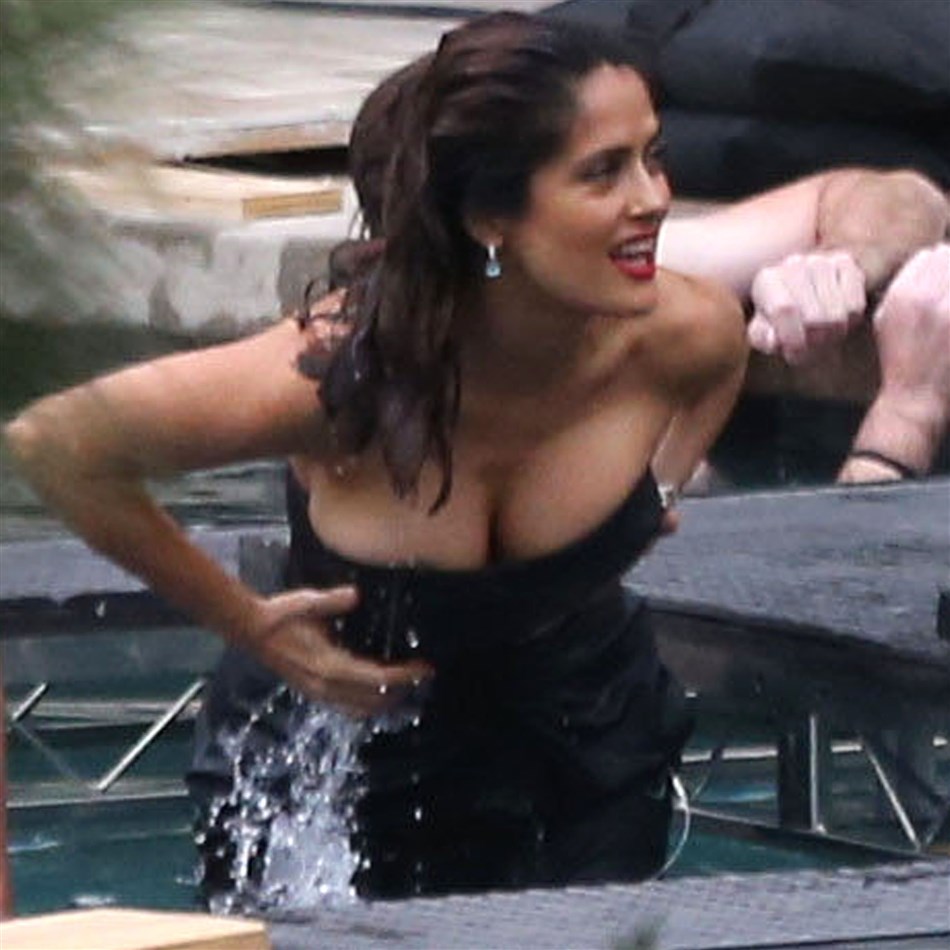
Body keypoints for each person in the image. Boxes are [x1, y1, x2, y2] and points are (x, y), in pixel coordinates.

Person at [0, 11, 943, 908]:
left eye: (653, 157)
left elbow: (716, 374)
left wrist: (644, 490)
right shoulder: (338, 378)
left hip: (586, 760)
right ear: (492, 217)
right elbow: (56, 446)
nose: (654, 197)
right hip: (333, 780)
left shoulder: (682, 333)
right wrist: (245, 622)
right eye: (603, 173)